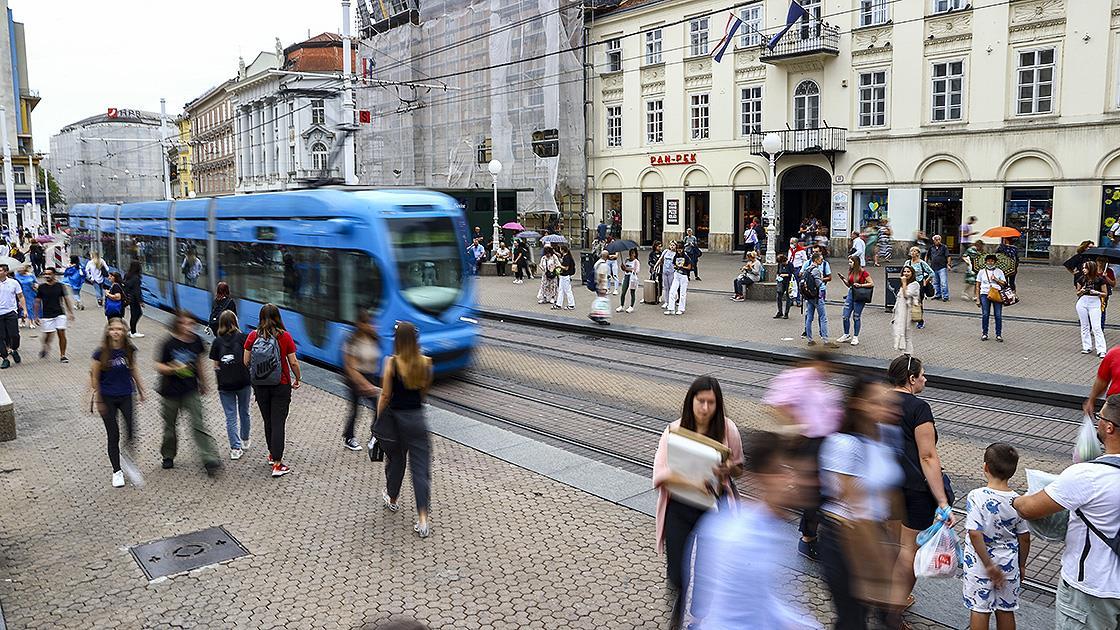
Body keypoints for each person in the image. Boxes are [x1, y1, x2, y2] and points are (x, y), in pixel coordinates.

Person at [690, 431, 820, 630]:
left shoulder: (773, 528)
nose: (795, 480)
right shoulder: (740, 537)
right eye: (783, 471)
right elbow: (740, 614)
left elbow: (764, 600)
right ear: (760, 478)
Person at [1013, 395, 1120, 630]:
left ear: (1109, 427)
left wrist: (1016, 500)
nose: (1097, 422)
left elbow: (1029, 509)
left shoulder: (1088, 475)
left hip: (1092, 589)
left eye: (1100, 417)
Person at [652, 376, 744, 629]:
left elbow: (739, 467)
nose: (705, 408)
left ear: (718, 404)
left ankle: (699, 617)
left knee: (708, 569)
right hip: (680, 506)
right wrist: (695, 483)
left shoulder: (728, 430)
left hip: (714, 509)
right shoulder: (673, 430)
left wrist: (729, 469)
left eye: (711, 403)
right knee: (677, 571)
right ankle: (678, 605)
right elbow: (660, 473)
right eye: (700, 401)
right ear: (690, 401)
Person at [818, 378, 903, 630]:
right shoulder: (843, 444)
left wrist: (893, 547)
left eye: (889, 402)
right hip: (844, 539)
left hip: (874, 537)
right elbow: (855, 507)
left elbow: (891, 496)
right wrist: (880, 570)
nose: (888, 408)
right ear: (858, 405)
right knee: (852, 621)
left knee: (861, 618)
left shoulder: (887, 437)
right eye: (877, 402)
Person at [887, 355, 955, 624]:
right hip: (913, 490)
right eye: (922, 375)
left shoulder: (877, 401)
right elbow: (927, 457)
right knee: (907, 551)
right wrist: (941, 501)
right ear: (911, 379)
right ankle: (893, 611)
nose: (925, 379)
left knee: (891, 546)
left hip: (884, 487)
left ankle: (884, 597)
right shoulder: (919, 408)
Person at [764, 352, 844, 562]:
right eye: (825, 366)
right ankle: (808, 539)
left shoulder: (820, 383)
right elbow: (776, 402)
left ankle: (811, 533)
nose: (828, 371)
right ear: (817, 363)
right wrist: (797, 424)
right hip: (810, 443)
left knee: (822, 490)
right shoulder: (801, 377)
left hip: (825, 443)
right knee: (814, 492)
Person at [962, 443, 1031, 630]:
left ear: (985, 467)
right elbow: (1024, 537)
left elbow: (975, 533)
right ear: (1013, 471)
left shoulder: (976, 496)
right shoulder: (1018, 501)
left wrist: (989, 565)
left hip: (979, 565)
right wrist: (1022, 564)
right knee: (1006, 610)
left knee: (979, 608)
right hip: (1009, 564)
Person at [377, 321, 434, 538]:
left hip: (395, 420)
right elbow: (423, 393)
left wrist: (378, 419)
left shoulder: (391, 363)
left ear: (397, 340)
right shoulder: (426, 363)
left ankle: (392, 499)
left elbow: (385, 395)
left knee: (396, 461)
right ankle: (422, 520)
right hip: (417, 419)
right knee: (420, 469)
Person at [155, 311, 220, 475]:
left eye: (191, 324)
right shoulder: (168, 343)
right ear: (178, 325)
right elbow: (158, 366)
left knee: (199, 424)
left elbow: (198, 362)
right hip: (170, 392)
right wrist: (173, 368)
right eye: (184, 324)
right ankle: (168, 455)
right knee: (170, 427)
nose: (188, 327)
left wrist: (203, 382)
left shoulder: (197, 341)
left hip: (190, 390)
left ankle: (209, 459)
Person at [244, 303, 300, 478]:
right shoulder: (285, 337)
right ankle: (277, 463)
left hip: (260, 386)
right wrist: (297, 378)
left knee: (268, 420)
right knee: (278, 423)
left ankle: (271, 454)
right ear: (278, 317)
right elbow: (293, 363)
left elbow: (245, 360)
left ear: (260, 317)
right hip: (280, 385)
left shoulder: (253, 336)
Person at [90, 318, 147, 488]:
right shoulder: (100, 353)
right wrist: (98, 399)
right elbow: (94, 377)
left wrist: (142, 389)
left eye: (119, 329)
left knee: (131, 431)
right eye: (113, 329)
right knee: (113, 434)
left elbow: (133, 369)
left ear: (124, 332)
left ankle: (127, 457)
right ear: (108, 331)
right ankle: (117, 471)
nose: (116, 332)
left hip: (125, 395)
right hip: (107, 397)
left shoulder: (129, 350)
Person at [209, 309, 252, 460]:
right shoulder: (243, 338)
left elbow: (215, 365)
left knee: (230, 416)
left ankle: (235, 448)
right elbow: (248, 359)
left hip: (225, 385)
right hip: (243, 381)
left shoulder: (217, 342)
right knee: (244, 411)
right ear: (235, 322)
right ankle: (245, 440)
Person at [343, 308, 380, 451]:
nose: (368, 325)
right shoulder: (351, 341)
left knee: (378, 408)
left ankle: (375, 435)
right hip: (355, 380)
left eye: (369, 322)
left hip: (370, 377)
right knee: (355, 410)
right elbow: (350, 368)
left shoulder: (373, 337)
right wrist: (365, 384)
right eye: (365, 322)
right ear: (358, 323)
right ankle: (349, 437)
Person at [35, 267, 75, 363]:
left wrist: (70, 312)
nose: (47, 276)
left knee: (61, 333)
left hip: (59, 313)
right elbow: (37, 302)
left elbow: (66, 299)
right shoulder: (41, 287)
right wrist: (36, 316)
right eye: (45, 274)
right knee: (48, 335)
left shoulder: (60, 286)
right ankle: (45, 346)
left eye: (49, 274)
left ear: (54, 275)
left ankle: (63, 355)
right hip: (47, 315)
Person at [801, 251, 837, 348]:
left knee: (809, 317)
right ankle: (825, 340)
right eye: (821, 259)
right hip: (817, 297)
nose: (822, 261)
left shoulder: (807, 269)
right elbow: (819, 284)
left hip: (809, 297)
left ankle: (810, 339)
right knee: (823, 318)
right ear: (816, 260)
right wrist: (821, 282)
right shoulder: (816, 270)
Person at [838, 255, 874, 347]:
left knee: (856, 316)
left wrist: (861, 285)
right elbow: (849, 284)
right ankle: (846, 334)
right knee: (845, 315)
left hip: (859, 295)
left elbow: (871, 283)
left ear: (856, 263)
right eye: (849, 262)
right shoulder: (851, 271)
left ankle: (855, 336)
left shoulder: (863, 272)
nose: (849, 264)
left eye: (851, 262)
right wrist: (843, 279)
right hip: (851, 293)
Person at [1076, 260, 1109, 358]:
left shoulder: (1100, 279)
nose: (1083, 270)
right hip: (1083, 302)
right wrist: (1081, 290)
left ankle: (1101, 349)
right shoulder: (1081, 279)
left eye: (1085, 268)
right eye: (1083, 268)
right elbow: (1077, 292)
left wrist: (1096, 292)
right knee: (1084, 325)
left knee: (1096, 327)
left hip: (1094, 302)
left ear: (1091, 269)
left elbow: (1105, 293)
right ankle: (1087, 346)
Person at [975, 254, 1008, 342]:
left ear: (995, 262)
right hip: (985, 294)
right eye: (988, 261)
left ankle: (998, 335)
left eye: (992, 261)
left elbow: (1004, 284)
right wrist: (978, 298)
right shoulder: (981, 272)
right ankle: (984, 333)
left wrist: (996, 279)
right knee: (985, 314)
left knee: (998, 315)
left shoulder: (999, 271)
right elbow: (978, 286)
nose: (990, 263)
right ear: (986, 262)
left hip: (996, 294)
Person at [0, 264, 25, 369]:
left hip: (10, 312)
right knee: (0, 338)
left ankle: (14, 349)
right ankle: (5, 358)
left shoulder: (13, 283)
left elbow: (20, 296)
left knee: (14, 335)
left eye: (0, 270)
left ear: (6, 272)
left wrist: (25, 310)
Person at [892, 266, 921, 355]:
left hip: (908, 313)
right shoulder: (905, 284)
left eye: (908, 272)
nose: (906, 273)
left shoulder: (915, 284)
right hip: (901, 313)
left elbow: (906, 295)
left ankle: (909, 355)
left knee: (907, 335)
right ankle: (903, 355)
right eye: (904, 271)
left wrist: (904, 283)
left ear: (912, 274)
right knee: (901, 333)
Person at [904, 247, 934, 330]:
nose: (912, 253)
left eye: (914, 251)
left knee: (918, 302)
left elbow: (932, 273)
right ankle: (911, 317)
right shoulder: (908, 262)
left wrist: (926, 281)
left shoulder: (922, 263)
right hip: (910, 284)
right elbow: (904, 272)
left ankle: (920, 321)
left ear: (918, 253)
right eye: (911, 251)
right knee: (908, 301)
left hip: (919, 285)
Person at [665, 242, 692, 316]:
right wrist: (675, 266)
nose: (679, 250)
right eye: (678, 249)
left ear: (683, 249)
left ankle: (681, 309)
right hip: (676, 275)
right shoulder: (675, 256)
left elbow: (689, 267)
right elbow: (673, 264)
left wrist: (682, 267)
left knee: (682, 293)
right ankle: (671, 309)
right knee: (672, 291)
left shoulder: (686, 257)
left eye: (680, 249)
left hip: (683, 276)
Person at [925, 235, 952, 302]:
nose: (938, 241)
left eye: (939, 239)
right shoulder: (931, 247)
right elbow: (927, 256)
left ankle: (945, 296)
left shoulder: (944, 247)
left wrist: (948, 264)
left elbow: (948, 256)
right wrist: (926, 264)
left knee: (943, 282)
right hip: (933, 267)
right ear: (933, 240)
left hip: (942, 267)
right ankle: (938, 295)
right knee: (936, 283)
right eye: (936, 239)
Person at [122, 261, 144, 338]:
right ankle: (133, 332)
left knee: (134, 314)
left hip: (129, 298)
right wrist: (140, 301)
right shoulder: (136, 278)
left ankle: (132, 330)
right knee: (137, 314)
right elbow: (137, 291)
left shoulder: (127, 275)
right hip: (134, 299)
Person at [616, 248, 640, 313]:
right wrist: (623, 268)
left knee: (632, 292)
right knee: (623, 291)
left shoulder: (636, 261)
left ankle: (631, 306)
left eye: (633, 253)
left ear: (635, 254)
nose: (631, 254)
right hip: (626, 276)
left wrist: (627, 269)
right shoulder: (627, 260)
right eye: (630, 253)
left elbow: (637, 271)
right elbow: (625, 269)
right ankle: (621, 305)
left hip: (632, 277)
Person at [14, 263, 38, 328]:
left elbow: (36, 283)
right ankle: (22, 320)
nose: (19, 270)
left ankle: (31, 322)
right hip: (20, 293)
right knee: (21, 307)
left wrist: (35, 286)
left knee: (30, 307)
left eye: (21, 268)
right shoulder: (16, 276)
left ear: (25, 269)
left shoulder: (31, 275)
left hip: (30, 293)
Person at [554, 245, 576, 310]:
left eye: (560, 249)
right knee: (561, 290)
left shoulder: (567, 257)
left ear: (563, 250)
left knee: (567, 290)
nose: (560, 250)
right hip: (563, 275)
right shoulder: (565, 257)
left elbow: (566, 268)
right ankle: (559, 304)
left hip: (565, 276)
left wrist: (559, 266)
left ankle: (571, 304)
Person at [774, 253, 793, 319]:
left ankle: (786, 313)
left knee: (788, 297)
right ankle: (780, 311)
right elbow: (778, 272)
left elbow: (792, 274)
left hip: (788, 282)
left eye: (782, 262)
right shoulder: (780, 264)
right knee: (779, 296)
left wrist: (785, 275)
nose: (782, 264)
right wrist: (778, 276)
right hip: (781, 282)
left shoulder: (790, 264)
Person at [660, 241, 677, 309]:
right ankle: (666, 301)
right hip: (665, 271)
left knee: (671, 287)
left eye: (673, 245)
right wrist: (656, 266)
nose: (672, 246)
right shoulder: (666, 251)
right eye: (671, 245)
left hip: (671, 272)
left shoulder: (676, 254)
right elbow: (660, 259)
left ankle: (671, 301)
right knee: (666, 287)